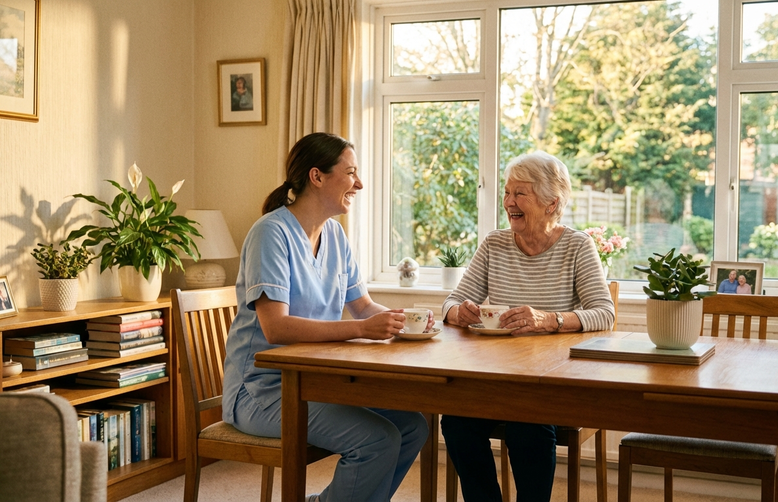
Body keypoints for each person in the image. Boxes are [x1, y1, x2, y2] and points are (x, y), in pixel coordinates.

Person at [221, 132, 430, 502]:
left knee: (413, 425)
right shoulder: (270, 234)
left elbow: (364, 307)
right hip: (262, 392)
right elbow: (276, 327)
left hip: (316, 384)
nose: (359, 183)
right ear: (316, 176)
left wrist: (410, 322)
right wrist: (362, 329)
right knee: (377, 440)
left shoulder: (334, 234)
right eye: (350, 173)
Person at [441, 150, 616, 502]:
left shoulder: (577, 245)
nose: (509, 202)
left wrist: (550, 320)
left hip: (549, 382)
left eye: (520, 193)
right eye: (507, 192)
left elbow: (604, 313)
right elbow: (450, 302)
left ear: (552, 203)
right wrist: (460, 313)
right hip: (497, 378)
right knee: (456, 422)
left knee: (528, 427)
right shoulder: (495, 243)